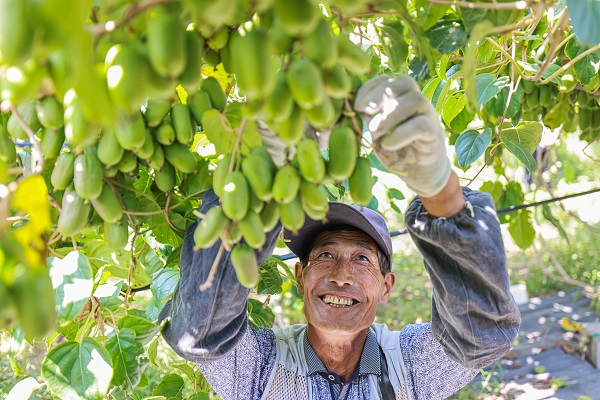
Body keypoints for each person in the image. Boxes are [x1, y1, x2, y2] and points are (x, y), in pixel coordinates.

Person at [159, 75, 521, 399]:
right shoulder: (262, 366)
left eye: (362, 259)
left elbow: (481, 337)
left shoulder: (410, 365)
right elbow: (198, 332)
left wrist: (441, 191)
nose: (341, 275)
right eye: (325, 256)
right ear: (300, 278)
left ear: (386, 287)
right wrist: (259, 177)